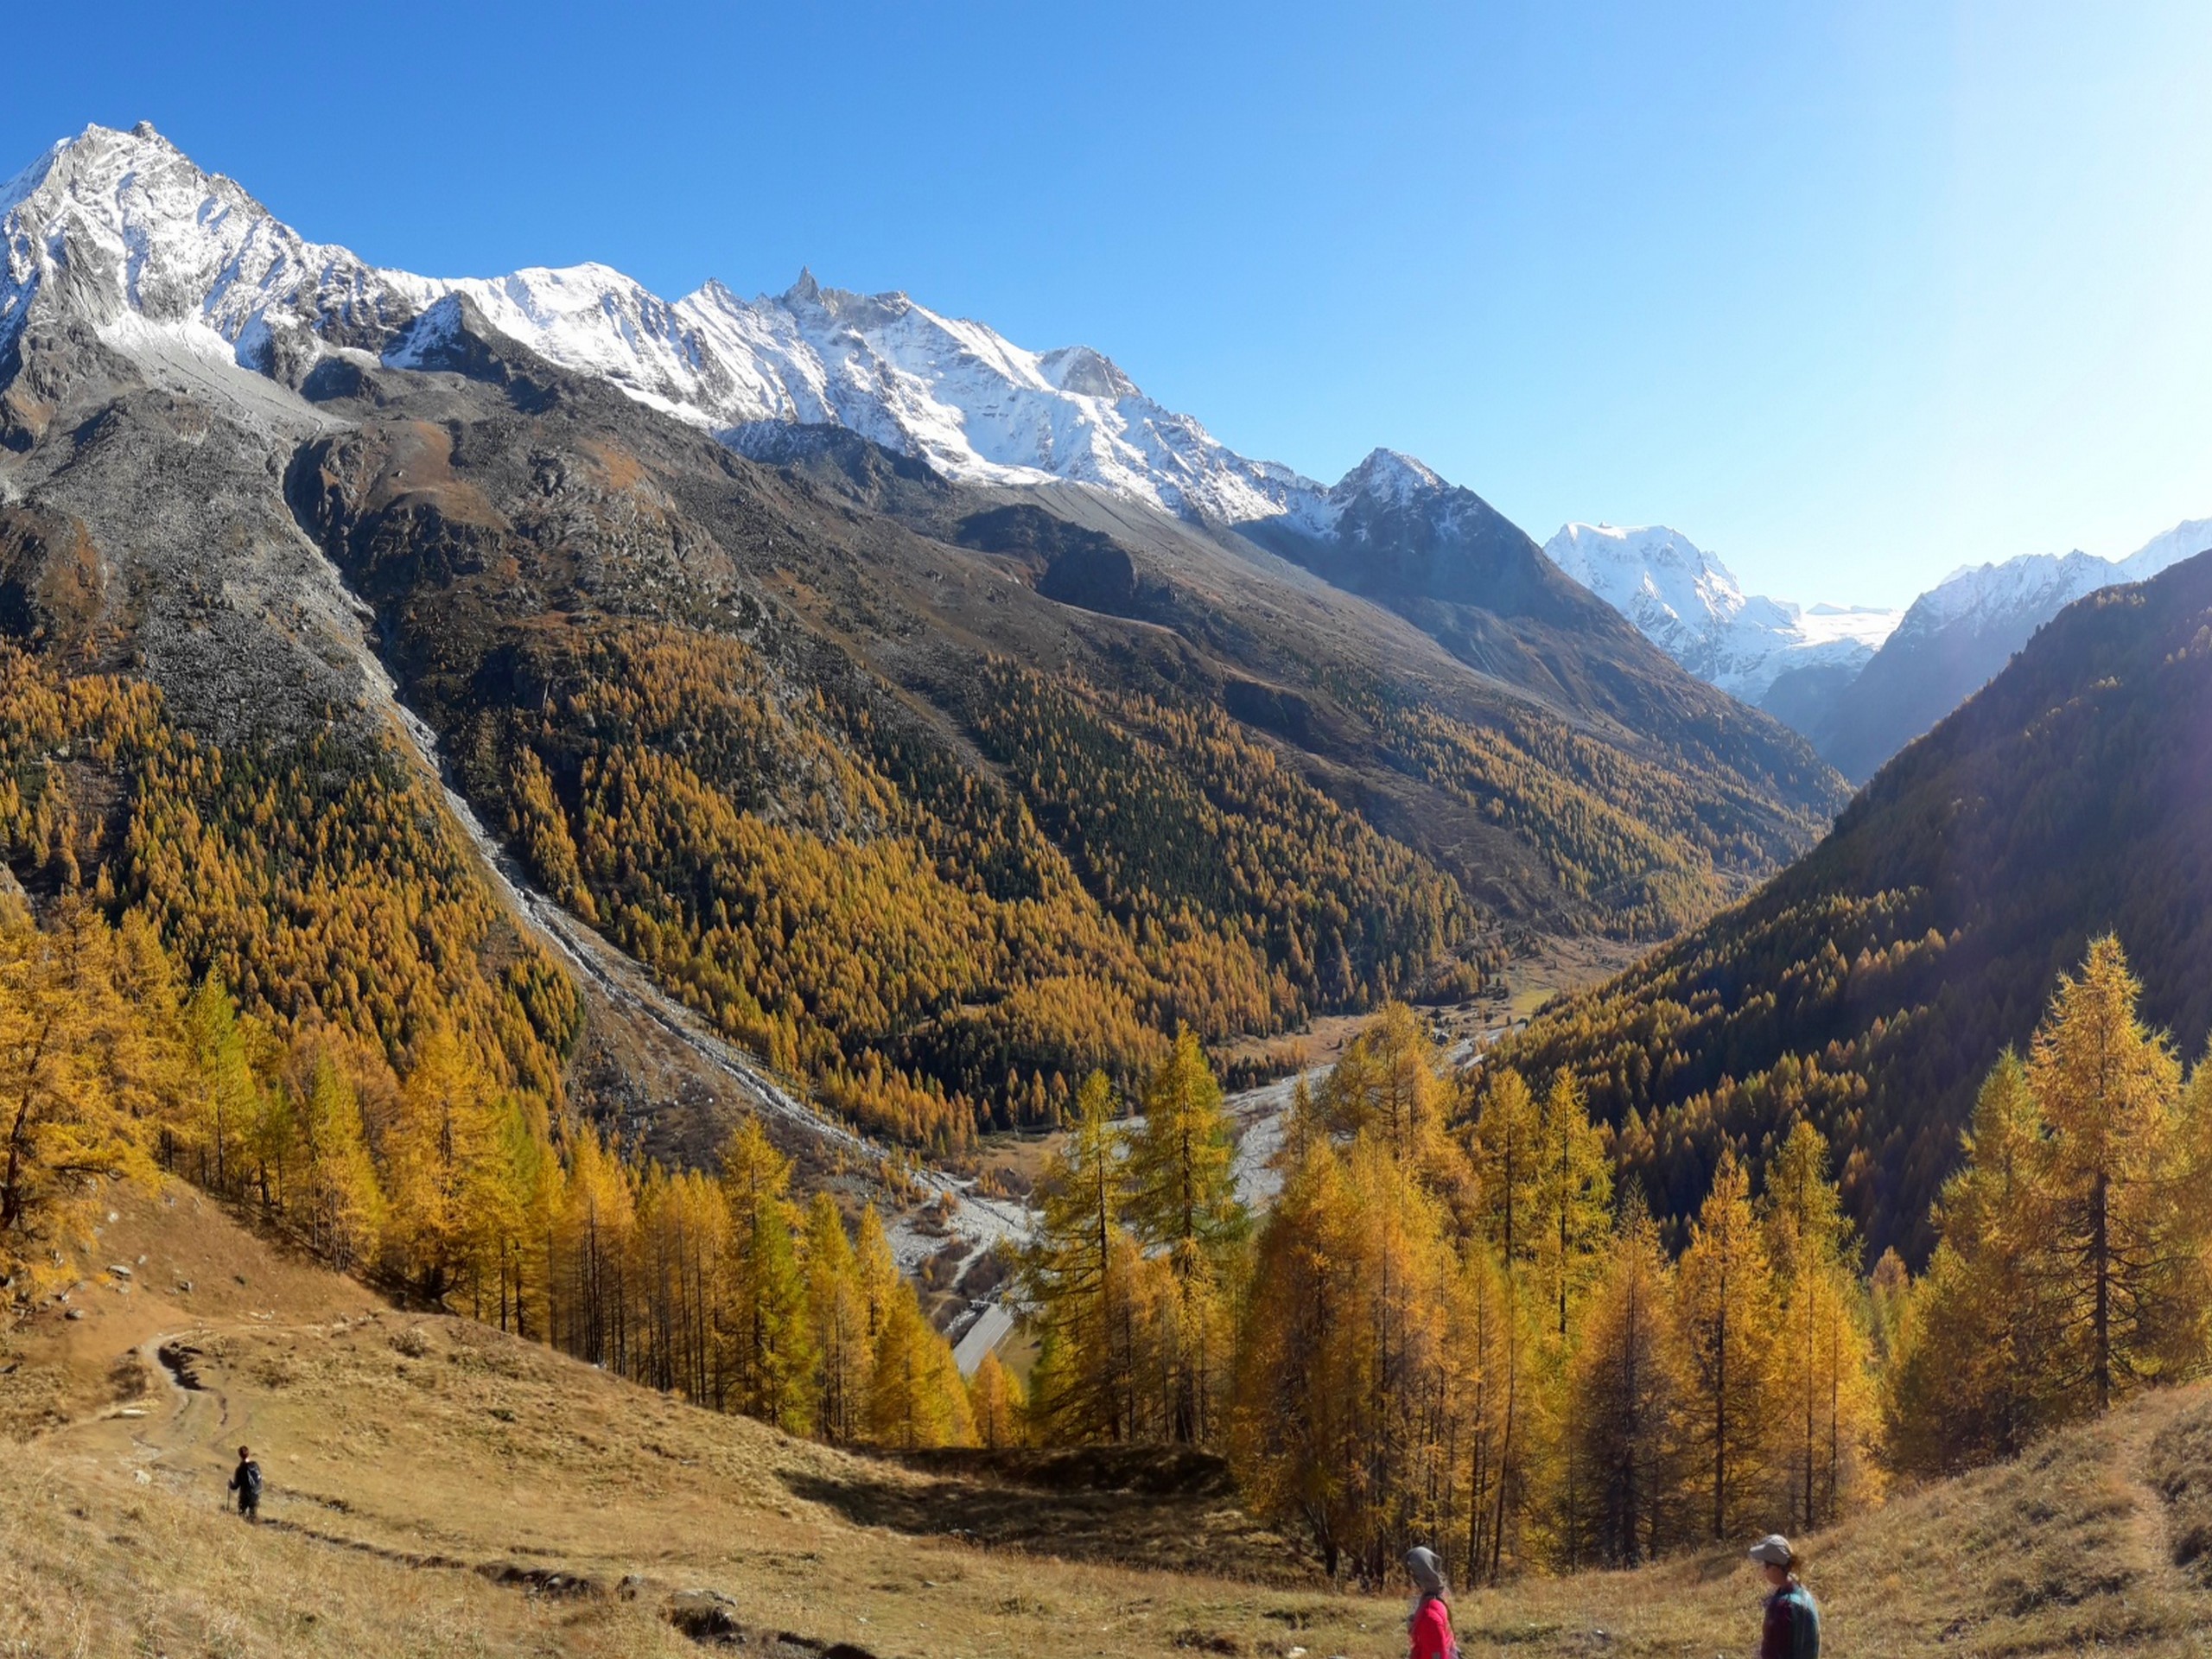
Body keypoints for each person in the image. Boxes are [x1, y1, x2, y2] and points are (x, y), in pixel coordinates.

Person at [1748, 1535, 1820, 1659]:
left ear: (1775, 1569)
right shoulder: (1803, 1593)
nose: (1763, 1571)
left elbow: (1772, 1654)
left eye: (1765, 1566)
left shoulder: (1782, 1607)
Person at [1404, 1546, 1457, 1659]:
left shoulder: (1429, 1616)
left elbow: (1436, 1655)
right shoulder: (1436, 1598)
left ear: (1420, 1578)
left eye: (1411, 1576)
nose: (1407, 1582)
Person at [229, 1444, 264, 1522]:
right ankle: (254, 1527)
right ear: (248, 1454)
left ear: (240, 1455)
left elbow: (235, 1486)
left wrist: (230, 1484)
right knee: (253, 1514)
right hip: (256, 1492)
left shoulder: (240, 1469)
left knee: (241, 1513)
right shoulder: (255, 1465)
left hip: (245, 1495)